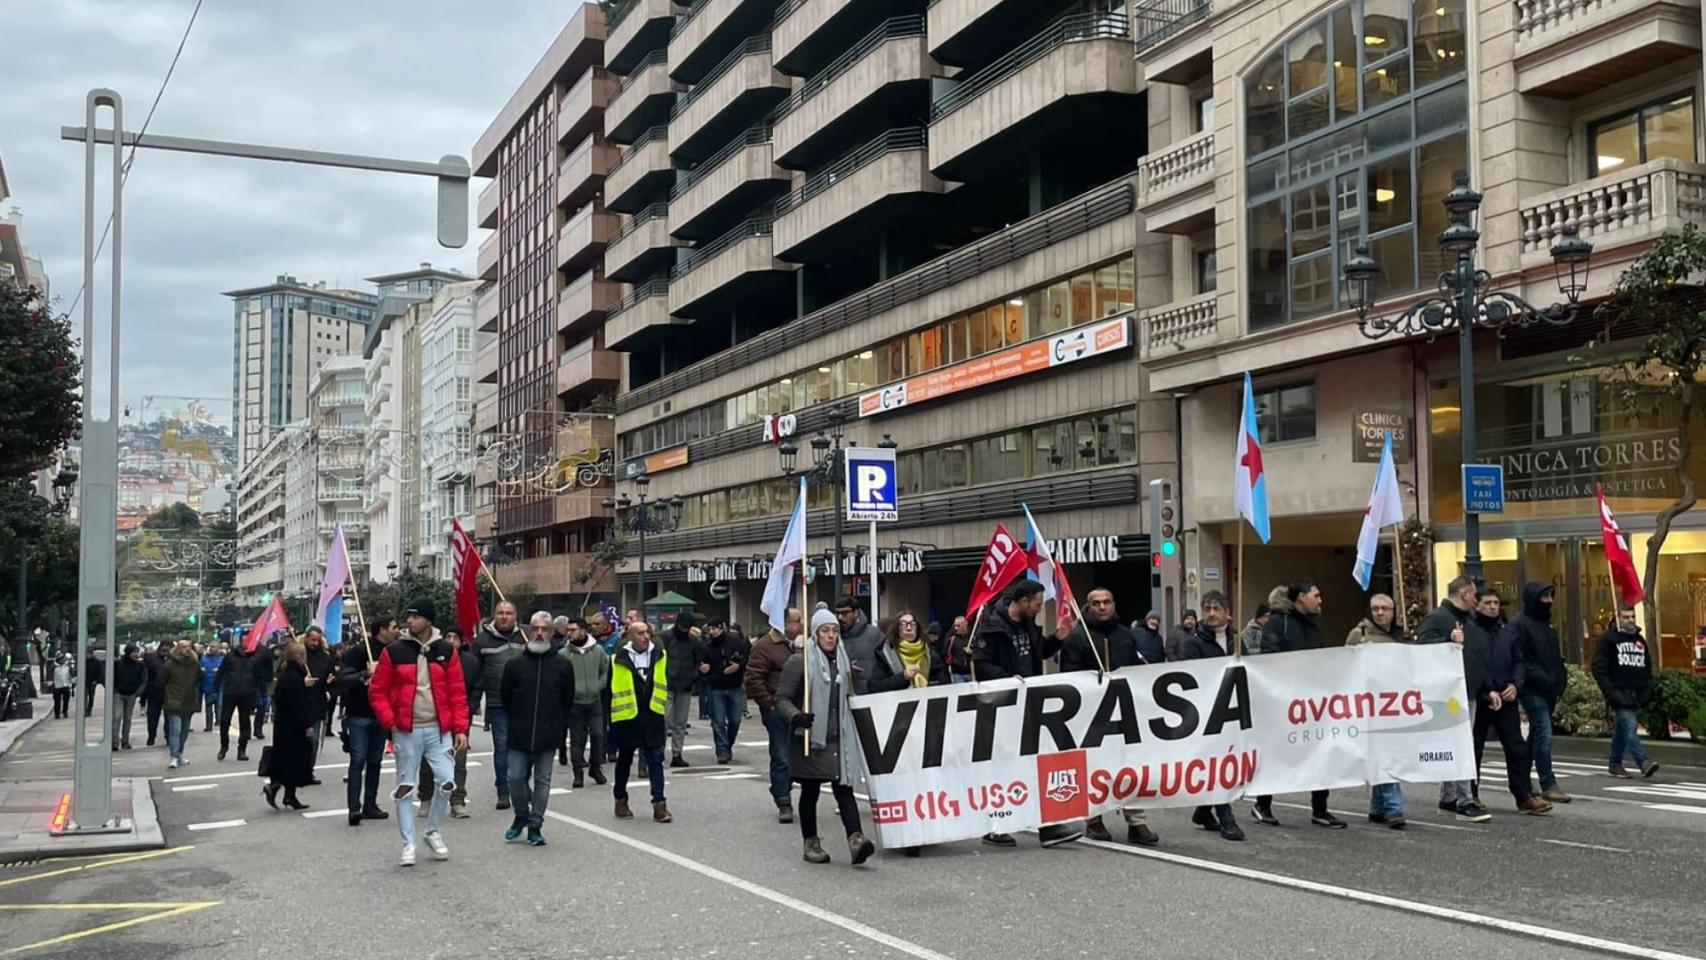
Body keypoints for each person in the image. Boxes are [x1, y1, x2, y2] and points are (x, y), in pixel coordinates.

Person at [970, 579, 1081, 848]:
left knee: (1035, 762)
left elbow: (1037, 651)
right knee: (1003, 766)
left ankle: (1048, 826)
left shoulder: (1028, 624)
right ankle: (996, 824)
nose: (1039, 608)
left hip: (1029, 702)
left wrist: (1057, 638)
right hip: (1002, 705)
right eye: (1037, 603)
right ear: (1022, 602)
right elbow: (980, 665)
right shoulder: (991, 627)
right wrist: (1009, 679)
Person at [370, 599, 472, 867]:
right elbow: (378, 690)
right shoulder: (393, 651)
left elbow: (458, 692)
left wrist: (461, 728)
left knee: (447, 781)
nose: (409, 621)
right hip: (407, 730)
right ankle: (408, 844)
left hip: (439, 730)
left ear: (428, 620)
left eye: (415, 617)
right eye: (408, 617)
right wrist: (390, 721)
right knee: (405, 787)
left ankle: (432, 831)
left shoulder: (446, 651)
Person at [1060, 588, 1161, 846]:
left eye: (1107, 602)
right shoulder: (1078, 638)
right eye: (1097, 603)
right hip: (1092, 713)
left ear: (1114, 604)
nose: (1102, 607)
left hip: (1124, 711)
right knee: (1096, 767)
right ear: (1089, 607)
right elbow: (1069, 678)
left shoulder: (1126, 635)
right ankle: (1094, 819)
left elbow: (1136, 670)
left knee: (1130, 766)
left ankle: (1136, 822)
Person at [775, 609, 876, 866]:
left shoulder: (843, 660)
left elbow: (851, 695)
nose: (831, 636)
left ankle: (856, 840)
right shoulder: (801, 661)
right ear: (816, 633)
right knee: (810, 792)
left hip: (839, 736)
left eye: (834, 631)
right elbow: (782, 698)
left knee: (844, 789)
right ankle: (811, 842)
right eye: (825, 631)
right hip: (811, 736)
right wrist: (796, 715)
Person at [1251, 579, 1341, 828]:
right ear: (1302, 597)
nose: (1320, 600)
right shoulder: (1279, 623)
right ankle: (1262, 803)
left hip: (1311, 700)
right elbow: (1269, 658)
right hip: (1284, 700)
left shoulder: (1311, 624)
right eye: (1316, 594)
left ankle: (1320, 809)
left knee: (1319, 751)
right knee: (1276, 752)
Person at [497, 611, 576, 846]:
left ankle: (535, 825)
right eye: (536, 629)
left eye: (545, 629)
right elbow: (506, 698)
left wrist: (557, 725)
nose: (540, 633)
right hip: (519, 733)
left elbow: (567, 699)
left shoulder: (563, 665)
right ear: (529, 631)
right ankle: (521, 814)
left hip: (548, 733)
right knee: (515, 777)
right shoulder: (515, 665)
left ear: (552, 632)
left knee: (543, 781)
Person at [1173, 591, 1246, 841]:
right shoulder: (1193, 642)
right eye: (1207, 609)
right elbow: (1188, 676)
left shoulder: (1237, 640)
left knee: (1229, 759)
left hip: (1232, 709)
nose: (1211, 614)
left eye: (1216, 609)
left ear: (1228, 612)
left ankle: (1204, 811)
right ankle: (1227, 818)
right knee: (1218, 763)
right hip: (1207, 711)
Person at [1345, 593, 1408, 829]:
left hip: (1395, 703)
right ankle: (1394, 808)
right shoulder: (1359, 635)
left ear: (1393, 611)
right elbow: (1345, 667)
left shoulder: (1400, 636)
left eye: (1385, 608)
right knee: (1385, 754)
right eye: (1375, 608)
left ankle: (1377, 806)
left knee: (1386, 755)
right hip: (1371, 705)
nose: (1380, 613)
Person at [1506, 583, 1569, 803]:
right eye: (1544, 597)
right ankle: (1548, 783)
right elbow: (1519, 657)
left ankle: (1522, 779)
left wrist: (1560, 679)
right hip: (1532, 688)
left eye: (1550, 596)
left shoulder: (1546, 625)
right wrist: (1544, 677)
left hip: (1548, 686)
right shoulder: (1519, 625)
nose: (1549, 601)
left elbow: (1554, 657)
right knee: (1543, 731)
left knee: (1535, 736)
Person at [610, 619, 672, 823]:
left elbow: (664, 681)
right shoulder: (617, 658)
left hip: (652, 714)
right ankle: (620, 798)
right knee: (625, 760)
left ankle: (659, 804)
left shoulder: (659, 655)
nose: (646, 637)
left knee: (655, 758)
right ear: (630, 636)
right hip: (628, 716)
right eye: (640, 633)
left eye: (648, 632)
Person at [745, 607, 801, 824]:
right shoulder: (764, 647)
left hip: (799, 709)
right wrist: (770, 706)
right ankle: (783, 799)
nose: (801, 625)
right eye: (797, 621)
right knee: (781, 755)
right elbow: (753, 679)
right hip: (779, 710)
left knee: (798, 756)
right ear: (785, 623)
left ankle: (784, 787)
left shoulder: (797, 645)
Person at [1592, 604, 1660, 779]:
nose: (1630, 620)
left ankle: (1615, 763)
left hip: (1635, 692)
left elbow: (1647, 668)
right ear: (1618, 618)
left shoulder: (1640, 640)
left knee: (1623, 729)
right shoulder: (1608, 640)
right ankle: (1643, 762)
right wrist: (1610, 691)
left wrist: (1647, 690)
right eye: (1626, 617)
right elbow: (1599, 668)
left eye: (1632, 617)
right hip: (1618, 691)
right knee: (1629, 726)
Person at [339, 620, 394, 826]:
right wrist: (364, 674)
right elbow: (342, 679)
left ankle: (370, 804)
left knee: (374, 760)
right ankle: (354, 807)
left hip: (381, 713)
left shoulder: (391, 652)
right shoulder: (358, 651)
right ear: (382, 630)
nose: (396, 631)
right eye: (393, 627)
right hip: (359, 713)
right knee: (358, 759)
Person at [419, 627, 478, 819]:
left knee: (459, 761)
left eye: (455, 637)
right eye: (448, 636)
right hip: (435, 717)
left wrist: (470, 707)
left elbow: (476, 686)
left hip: (460, 716)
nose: (452, 640)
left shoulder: (470, 661)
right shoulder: (432, 657)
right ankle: (426, 797)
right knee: (428, 761)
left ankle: (457, 800)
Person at [473, 602, 524, 810]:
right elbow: (475, 673)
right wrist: (474, 702)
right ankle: (503, 790)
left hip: (524, 702)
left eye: (509, 613)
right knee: (502, 748)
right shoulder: (481, 641)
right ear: (494, 615)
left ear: (515, 616)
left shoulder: (526, 636)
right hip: (497, 703)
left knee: (523, 747)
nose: (504, 617)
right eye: (500, 613)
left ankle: (521, 786)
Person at [261, 640, 315, 812]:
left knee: (289, 759)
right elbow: (297, 704)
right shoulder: (293, 677)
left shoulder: (290, 674)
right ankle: (281, 789)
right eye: (303, 655)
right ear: (298, 656)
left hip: (285, 724)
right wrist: (306, 724)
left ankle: (288, 794)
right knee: (294, 759)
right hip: (293, 726)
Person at [562, 617, 609, 788]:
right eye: (568, 630)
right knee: (577, 738)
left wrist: (599, 685)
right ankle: (578, 772)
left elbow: (605, 671)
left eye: (573, 630)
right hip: (575, 702)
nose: (569, 633)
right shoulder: (564, 654)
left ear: (583, 630)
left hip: (594, 699)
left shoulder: (597, 651)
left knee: (598, 735)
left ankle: (595, 767)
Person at [698, 617, 750, 764]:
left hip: (734, 686)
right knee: (718, 722)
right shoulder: (707, 647)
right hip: (716, 688)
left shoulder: (735, 643)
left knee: (735, 720)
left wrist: (738, 667)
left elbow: (745, 659)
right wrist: (703, 669)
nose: (712, 632)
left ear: (722, 628)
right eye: (709, 629)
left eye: (714, 628)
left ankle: (728, 745)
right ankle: (722, 750)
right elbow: (700, 663)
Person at [214, 639, 266, 762]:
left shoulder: (254, 658)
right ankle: (224, 746)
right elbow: (221, 672)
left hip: (247, 693)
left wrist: (263, 693)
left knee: (245, 722)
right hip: (230, 692)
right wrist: (216, 688)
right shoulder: (230, 656)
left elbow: (259, 676)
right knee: (225, 720)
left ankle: (242, 749)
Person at [662, 611, 702, 768]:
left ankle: (677, 754)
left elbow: (699, 660)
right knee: (664, 720)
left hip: (684, 685)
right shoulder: (665, 638)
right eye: (683, 627)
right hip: (667, 685)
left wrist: (695, 674)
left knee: (680, 722)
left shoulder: (693, 641)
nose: (684, 630)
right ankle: (660, 751)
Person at [162, 638, 202, 770]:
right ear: (178, 648)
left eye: (189, 647)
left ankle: (179, 754)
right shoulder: (170, 664)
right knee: (175, 730)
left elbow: (199, 679)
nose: (187, 649)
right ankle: (173, 756)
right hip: (174, 700)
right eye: (184, 647)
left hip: (189, 700)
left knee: (184, 731)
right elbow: (161, 681)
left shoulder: (194, 664)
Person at [300, 628, 336, 775]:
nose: (315, 643)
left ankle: (309, 770)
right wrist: (301, 682)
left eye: (317, 640)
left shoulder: (326, 658)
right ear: (306, 638)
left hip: (317, 702)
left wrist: (330, 683)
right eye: (312, 640)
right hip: (300, 702)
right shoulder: (299, 656)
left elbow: (333, 677)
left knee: (313, 740)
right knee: (298, 739)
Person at [111, 644, 147, 751]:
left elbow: (144, 679)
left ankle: (125, 741)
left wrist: (138, 693)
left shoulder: (141, 665)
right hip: (119, 694)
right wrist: (114, 691)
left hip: (131, 694)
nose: (135, 654)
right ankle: (114, 742)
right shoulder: (117, 664)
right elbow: (109, 677)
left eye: (137, 652)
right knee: (117, 717)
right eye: (133, 652)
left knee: (128, 719)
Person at [142, 642, 168, 746]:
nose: (165, 649)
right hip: (153, 691)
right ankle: (151, 736)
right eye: (164, 647)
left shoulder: (173, 659)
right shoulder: (150, 658)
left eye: (168, 647)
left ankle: (168, 736)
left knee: (169, 717)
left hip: (168, 692)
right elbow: (145, 675)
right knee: (152, 716)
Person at [199, 642, 225, 732]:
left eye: (214, 646)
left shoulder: (223, 659)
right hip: (207, 685)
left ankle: (219, 721)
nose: (211, 648)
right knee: (208, 706)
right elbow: (200, 669)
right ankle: (208, 725)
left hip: (220, 686)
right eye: (210, 646)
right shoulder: (204, 658)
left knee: (219, 706)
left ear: (218, 648)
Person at [941, 615, 972, 684]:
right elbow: (945, 653)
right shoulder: (951, 638)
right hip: (957, 673)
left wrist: (972, 652)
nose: (956, 628)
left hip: (971, 671)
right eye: (955, 626)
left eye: (958, 626)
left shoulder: (972, 637)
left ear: (965, 625)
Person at [83, 645, 104, 718]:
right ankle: (84, 709)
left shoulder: (97, 662)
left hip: (92, 681)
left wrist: (97, 680)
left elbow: (100, 672)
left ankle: (89, 709)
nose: (86, 655)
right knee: (84, 696)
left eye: (88, 654)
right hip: (84, 681)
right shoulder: (83, 661)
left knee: (91, 696)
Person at [51, 654, 74, 719]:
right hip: (57, 685)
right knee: (57, 701)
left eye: (63, 659)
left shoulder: (67, 666)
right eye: (61, 659)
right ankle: (57, 713)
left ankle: (65, 711)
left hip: (66, 685)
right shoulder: (54, 667)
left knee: (66, 700)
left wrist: (72, 683)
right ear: (58, 660)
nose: (63, 661)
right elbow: (50, 675)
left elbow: (71, 674)